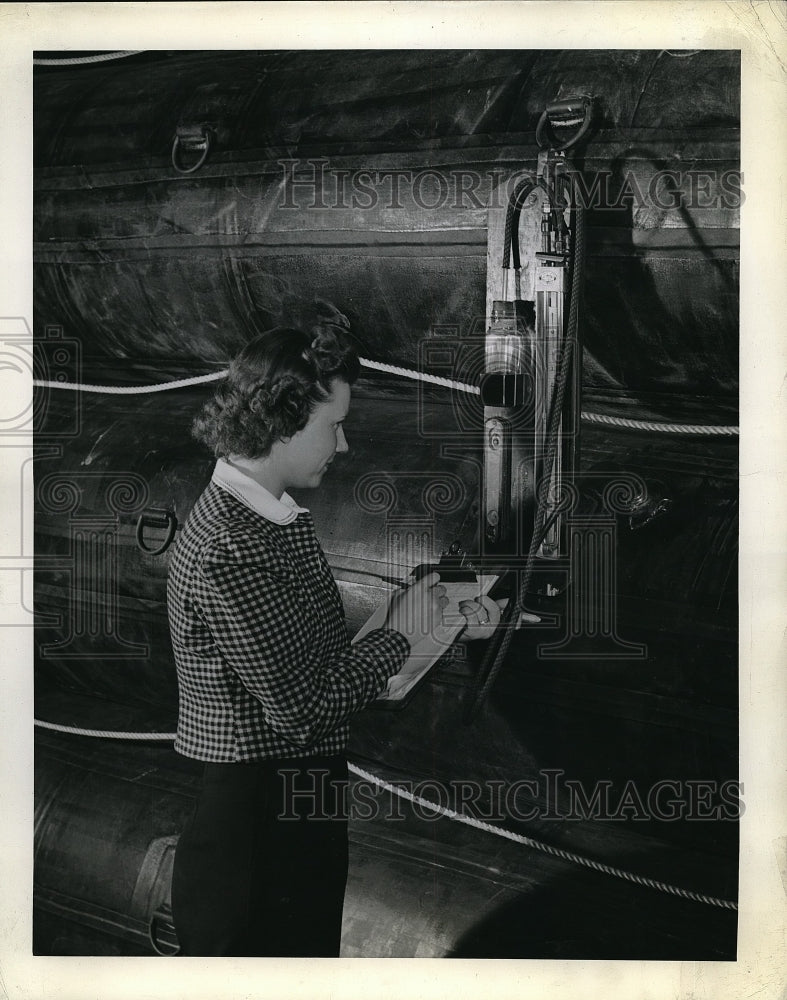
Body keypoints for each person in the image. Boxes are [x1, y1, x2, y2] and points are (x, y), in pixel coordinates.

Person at [166, 323, 499, 957]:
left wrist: (441, 623)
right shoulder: (227, 547)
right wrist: (400, 638)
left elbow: (319, 671)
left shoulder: (265, 519)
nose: (343, 445)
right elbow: (301, 709)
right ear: (283, 421)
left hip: (295, 813)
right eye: (334, 425)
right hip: (256, 841)